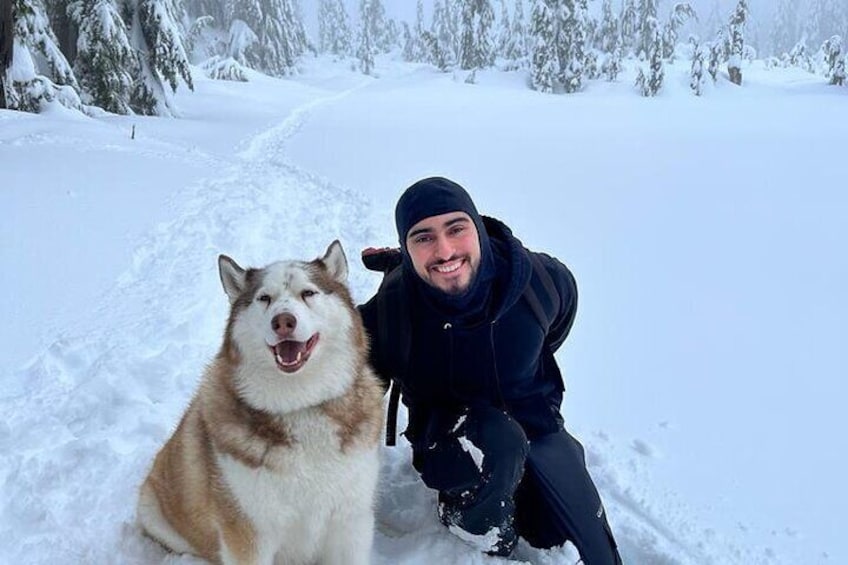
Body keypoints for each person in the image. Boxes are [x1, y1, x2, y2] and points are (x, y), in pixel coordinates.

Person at [358, 177, 622, 563]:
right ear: (407, 246)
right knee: (498, 455)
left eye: (456, 229)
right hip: (452, 438)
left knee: (590, 553)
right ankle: (475, 525)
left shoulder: (537, 280)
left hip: (536, 425)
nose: (445, 249)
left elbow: (559, 319)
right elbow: (344, 394)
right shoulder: (389, 314)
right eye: (423, 238)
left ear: (478, 227)